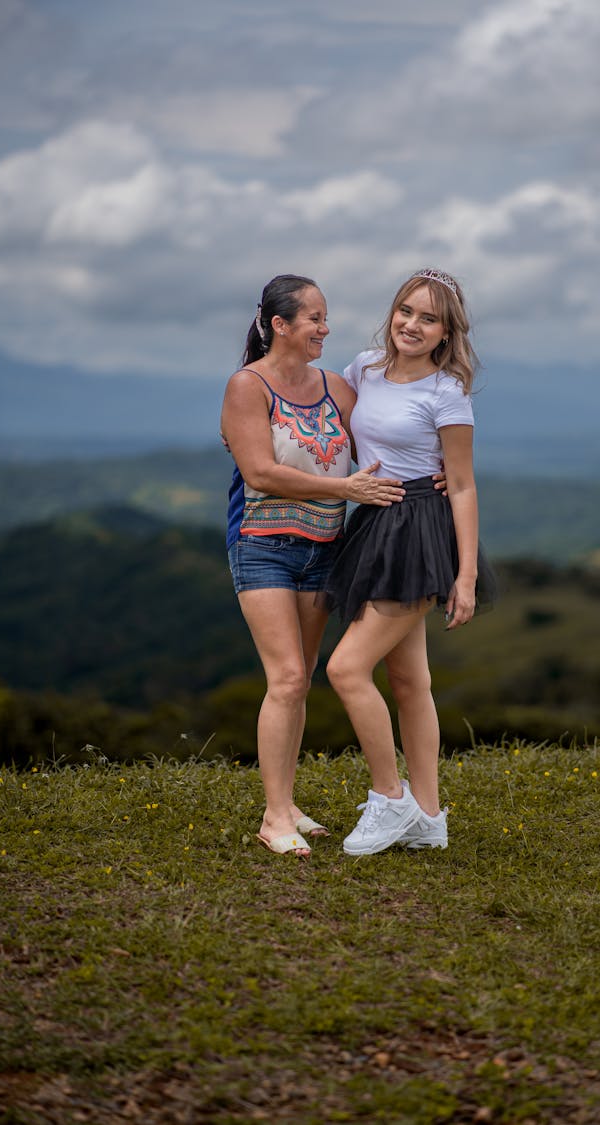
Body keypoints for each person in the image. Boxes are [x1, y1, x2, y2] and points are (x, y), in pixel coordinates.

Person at [220, 274, 406, 858]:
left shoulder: (335, 387)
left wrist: (434, 472)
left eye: (326, 318)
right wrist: (344, 488)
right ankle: (275, 817)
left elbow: (379, 440)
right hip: (263, 544)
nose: (325, 329)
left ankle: (288, 801)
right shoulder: (248, 386)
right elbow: (260, 473)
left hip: (325, 548)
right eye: (314, 319)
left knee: (299, 678)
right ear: (280, 325)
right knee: (290, 678)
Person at [319, 268, 495, 856]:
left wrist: (464, 576)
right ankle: (427, 815)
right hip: (373, 523)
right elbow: (319, 406)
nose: (412, 325)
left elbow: (464, 486)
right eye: (406, 311)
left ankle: (389, 799)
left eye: (428, 318)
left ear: (447, 332)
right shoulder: (364, 367)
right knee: (408, 680)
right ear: (392, 313)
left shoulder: (447, 392)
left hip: (420, 528)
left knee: (346, 669)